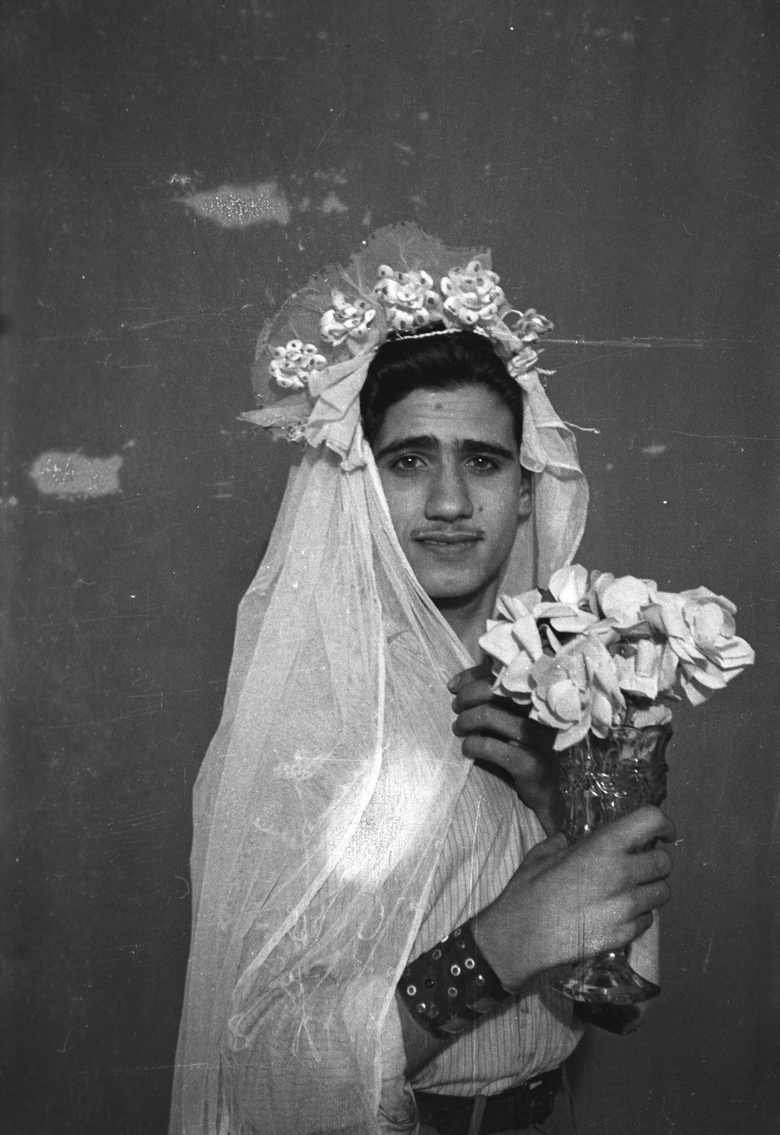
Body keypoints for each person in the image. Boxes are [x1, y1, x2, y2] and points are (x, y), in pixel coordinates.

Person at [169, 226, 674, 1135]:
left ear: (526, 488)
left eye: (482, 461)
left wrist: (562, 803)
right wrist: (499, 948)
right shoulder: (313, 714)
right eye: (408, 462)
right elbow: (257, 1072)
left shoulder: (566, 687)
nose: (448, 503)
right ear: (359, 485)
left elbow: (619, 1005)